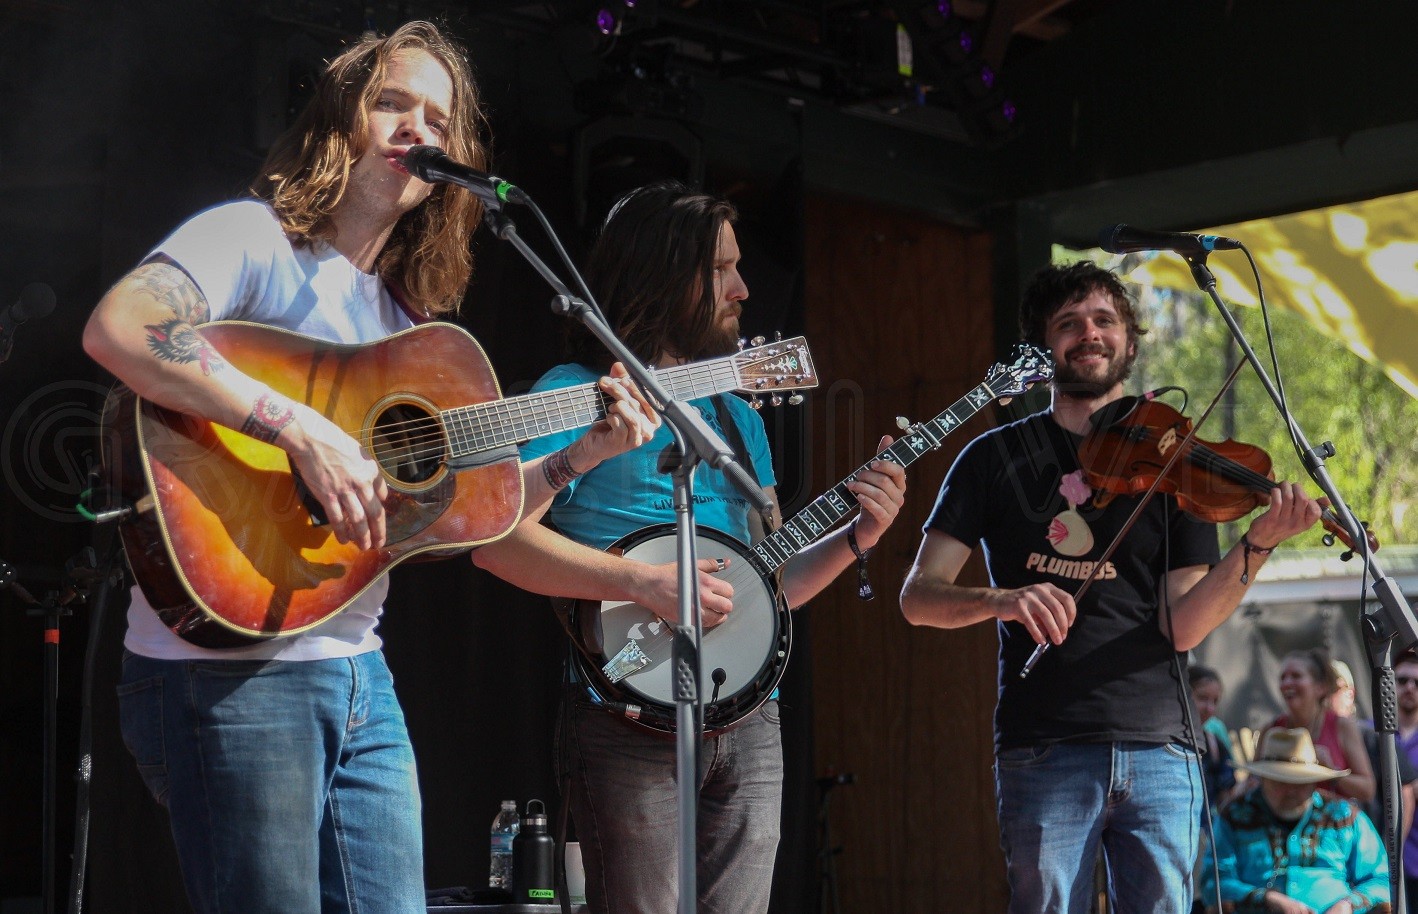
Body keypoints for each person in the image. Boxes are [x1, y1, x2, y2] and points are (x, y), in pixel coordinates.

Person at [82, 22, 657, 914]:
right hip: (232, 667)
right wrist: (297, 428)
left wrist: (582, 454)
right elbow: (120, 328)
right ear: (339, 118)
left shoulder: (402, 321)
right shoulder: (252, 239)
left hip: (358, 673)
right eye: (392, 102)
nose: (415, 127)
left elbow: (475, 521)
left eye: (437, 118)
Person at [472, 181, 908, 914]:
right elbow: (496, 543)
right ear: (663, 274)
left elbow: (767, 584)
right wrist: (644, 585)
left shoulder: (739, 417)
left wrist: (855, 538)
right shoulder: (576, 394)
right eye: (720, 269)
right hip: (623, 715)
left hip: (749, 716)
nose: (742, 288)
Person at [899, 260, 1323, 913]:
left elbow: (1184, 622)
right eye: (1068, 324)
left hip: (1162, 748)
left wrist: (1258, 542)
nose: (1088, 334)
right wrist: (1004, 600)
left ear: (1129, 340)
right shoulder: (993, 458)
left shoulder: (1176, 462)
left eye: (1104, 320)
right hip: (1044, 744)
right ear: (1045, 347)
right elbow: (918, 596)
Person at [1201, 726, 1390, 914]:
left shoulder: (1344, 816)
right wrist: (1266, 898)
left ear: (1315, 781)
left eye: (1300, 782)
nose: (1291, 791)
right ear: (1263, 779)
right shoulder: (1234, 816)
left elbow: (1381, 880)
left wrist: (1348, 905)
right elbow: (1214, 883)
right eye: (1281, 782)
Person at [1329, 658, 1416, 850]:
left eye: (1332, 688)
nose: (1325, 696)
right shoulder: (1306, 736)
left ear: (1350, 694)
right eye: (1402, 680)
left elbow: (1405, 792)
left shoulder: (1373, 736)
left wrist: (1390, 853)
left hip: (1369, 851)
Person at [1273, 648, 1376, 802]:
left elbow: (1367, 790)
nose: (1287, 683)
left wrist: (1331, 771)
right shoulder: (1273, 728)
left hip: (1330, 822)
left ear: (1320, 687)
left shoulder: (1341, 726)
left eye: (1296, 676)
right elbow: (1253, 781)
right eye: (1283, 677)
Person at [1190, 664, 1239, 824]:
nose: (1209, 708)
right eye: (1202, 698)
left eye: (1215, 701)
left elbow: (1225, 800)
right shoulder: (1157, 745)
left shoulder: (1215, 746)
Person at [1393, 651, 1418, 910]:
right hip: (1382, 867)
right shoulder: (1370, 735)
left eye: (1417, 683)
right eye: (1402, 680)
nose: (1410, 688)